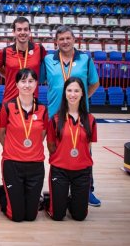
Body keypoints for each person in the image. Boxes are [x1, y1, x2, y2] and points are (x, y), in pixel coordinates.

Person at [40, 25, 101, 207]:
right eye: (61, 39)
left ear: (74, 39)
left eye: (68, 38)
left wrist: (79, 100)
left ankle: (87, 190)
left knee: (83, 151)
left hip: (79, 114)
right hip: (55, 115)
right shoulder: (48, 59)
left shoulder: (85, 59)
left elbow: (94, 83)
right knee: (56, 151)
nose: (65, 42)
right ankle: (58, 186)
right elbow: (38, 79)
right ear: (56, 42)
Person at [0, 68, 48, 222]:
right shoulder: (7, 107)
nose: (27, 85)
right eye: (23, 81)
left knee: (31, 217)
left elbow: (42, 133)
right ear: (16, 84)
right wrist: (11, 148)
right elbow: (1, 132)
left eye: (31, 81)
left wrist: (30, 148)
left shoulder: (43, 109)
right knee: (16, 217)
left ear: (36, 83)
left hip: (35, 165)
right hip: (12, 163)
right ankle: (1, 193)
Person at [45, 77, 97, 221]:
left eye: (76, 91)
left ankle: (67, 200)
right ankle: (53, 200)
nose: (72, 94)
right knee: (57, 216)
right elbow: (51, 146)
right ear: (65, 93)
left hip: (82, 171)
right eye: (69, 90)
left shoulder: (90, 119)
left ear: (82, 94)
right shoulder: (55, 119)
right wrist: (62, 159)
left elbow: (88, 145)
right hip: (60, 170)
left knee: (80, 216)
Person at [0, 17, 46, 103]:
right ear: (14, 32)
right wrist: (9, 75)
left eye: (25, 29)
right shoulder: (5, 51)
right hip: (10, 101)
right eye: (19, 29)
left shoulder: (39, 49)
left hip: (32, 101)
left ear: (29, 31)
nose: (22, 32)